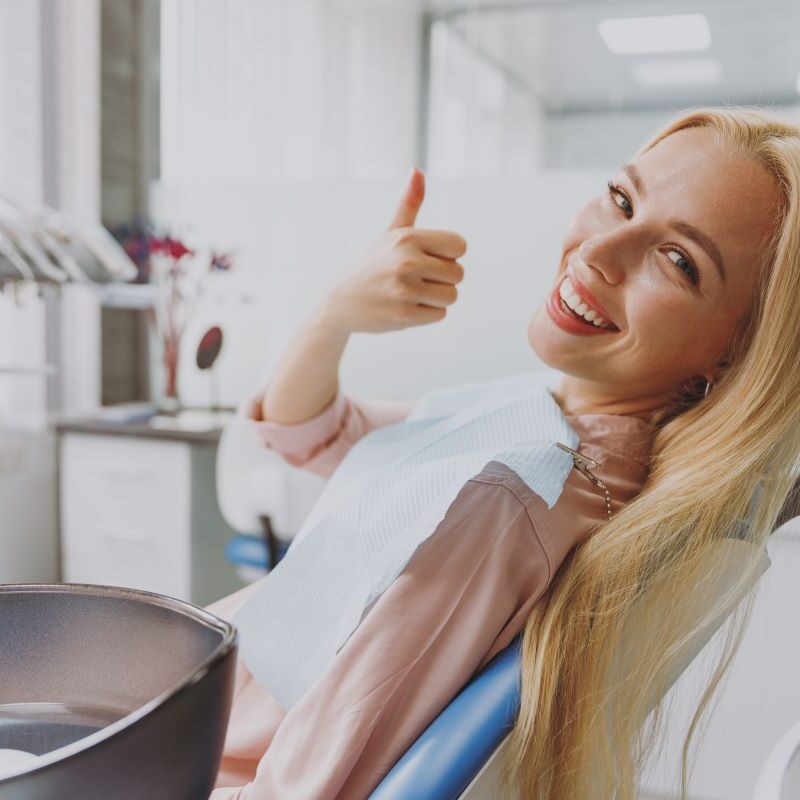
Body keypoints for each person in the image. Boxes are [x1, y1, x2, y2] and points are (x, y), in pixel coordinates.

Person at [207, 106, 800, 800]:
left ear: (734, 354)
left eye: (678, 262)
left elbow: (297, 792)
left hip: (188, 748)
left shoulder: (513, 494)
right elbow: (313, 434)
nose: (597, 253)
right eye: (620, 200)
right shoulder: (543, 417)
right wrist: (334, 316)